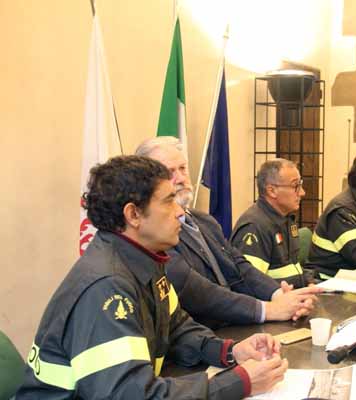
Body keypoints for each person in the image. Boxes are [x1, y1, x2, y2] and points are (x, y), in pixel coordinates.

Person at [16, 156, 287, 399]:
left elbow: (177, 329)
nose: (180, 212)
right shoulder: (107, 286)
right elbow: (130, 395)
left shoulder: (146, 260)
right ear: (133, 214)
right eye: (168, 201)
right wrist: (239, 383)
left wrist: (230, 352)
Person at [135, 137, 321, 330]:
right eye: (169, 172)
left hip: (235, 325)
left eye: (183, 168)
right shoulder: (155, 234)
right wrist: (269, 310)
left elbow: (239, 267)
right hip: (202, 334)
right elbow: (198, 292)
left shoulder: (205, 221)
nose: (181, 178)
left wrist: (281, 296)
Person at [231, 159, 307, 288]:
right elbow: (249, 285)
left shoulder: (286, 219)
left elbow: (294, 268)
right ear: (272, 191)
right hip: (275, 304)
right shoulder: (254, 227)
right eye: (295, 186)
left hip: (294, 298)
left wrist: (309, 282)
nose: (302, 193)